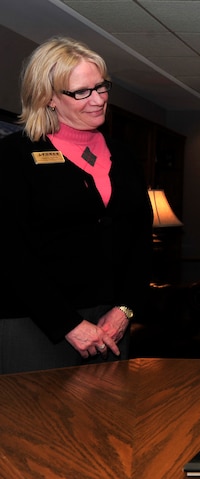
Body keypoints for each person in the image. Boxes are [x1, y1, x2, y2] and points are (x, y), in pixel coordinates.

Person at [0, 37, 153, 374]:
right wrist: (68, 323)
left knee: (108, 423)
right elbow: (10, 252)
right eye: (81, 91)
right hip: (35, 324)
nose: (98, 99)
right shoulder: (13, 156)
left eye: (101, 87)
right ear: (49, 98)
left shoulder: (125, 157)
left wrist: (124, 310)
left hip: (110, 325)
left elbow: (140, 242)